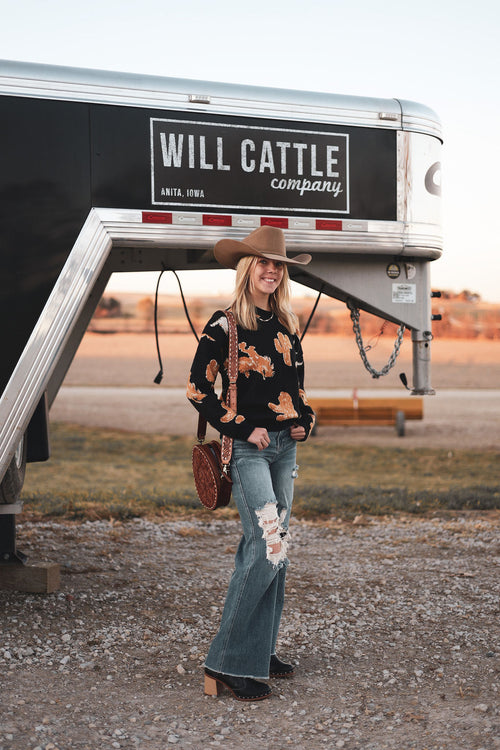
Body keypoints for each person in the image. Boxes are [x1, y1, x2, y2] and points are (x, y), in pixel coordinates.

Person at [186, 225, 315, 702]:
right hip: (247, 451)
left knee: (276, 551)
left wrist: (307, 421)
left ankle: (257, 651)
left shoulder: (287, 326)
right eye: (263, 262)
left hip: (285, 449)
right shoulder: (224, 326)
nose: (271, 270)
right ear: (247, 268)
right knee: (265, 541)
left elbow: (297, 395)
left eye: (278, 264)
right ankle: (225, 662)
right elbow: (198, 389)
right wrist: (242, 427)